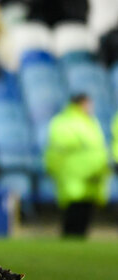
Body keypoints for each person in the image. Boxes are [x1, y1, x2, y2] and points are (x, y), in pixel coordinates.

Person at [44, 94, 110, 238]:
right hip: (74, 175)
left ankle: (79, 240)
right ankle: (68, 240)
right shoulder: (64, 122)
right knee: (73, 211)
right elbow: (60, 147)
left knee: (86, 212)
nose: (91, 108)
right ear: (79, 104)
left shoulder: (90, 122)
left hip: (92, 176)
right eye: (88, 104)